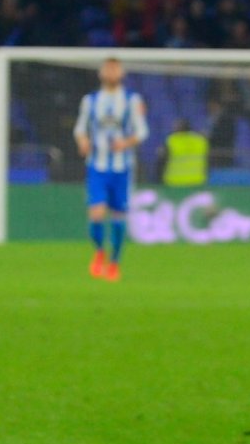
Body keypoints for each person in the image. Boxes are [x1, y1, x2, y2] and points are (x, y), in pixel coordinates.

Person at [73, 58, 149, 281]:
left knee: (118, 215)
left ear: (122, 73)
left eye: (115, 68)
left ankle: (115, 262)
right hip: (97, 166)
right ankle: (99, 251)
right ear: (101, 72)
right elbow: (80, 128)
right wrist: (82, 141)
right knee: (96, 213)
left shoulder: (131, 100)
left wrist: (125, 143)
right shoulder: (90, 100)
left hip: (122, 168)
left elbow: (143, 131)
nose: (111, 71)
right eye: (108, 67)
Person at [159, 117, 209, 187]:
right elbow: (207, 159)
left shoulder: (172, 140)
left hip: (175, 180)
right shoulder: (201, 140)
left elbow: (162, 156)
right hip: (196, 180)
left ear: (179, 128)